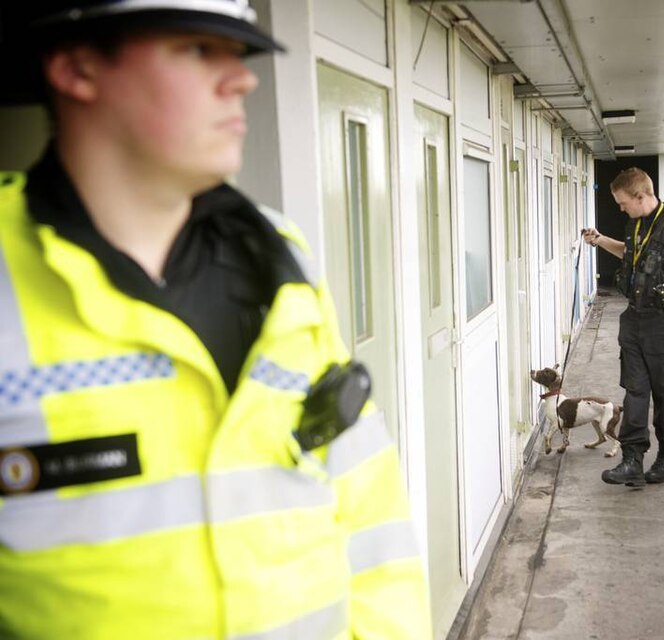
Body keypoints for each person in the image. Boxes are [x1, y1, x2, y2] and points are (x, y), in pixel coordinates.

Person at [0, 2, 431, 638]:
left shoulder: (282, 255)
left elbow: (370, 510)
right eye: (199, 50)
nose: (244, 79)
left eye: (237, 53)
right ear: (77, 68)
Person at [581, 167, 664, 486]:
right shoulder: (635, 224)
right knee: (635, 392)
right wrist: (599, 240)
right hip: (634, 321)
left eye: (622, 202)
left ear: (640, 196)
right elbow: (629, 254)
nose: (620, 208)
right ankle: (632, 459)